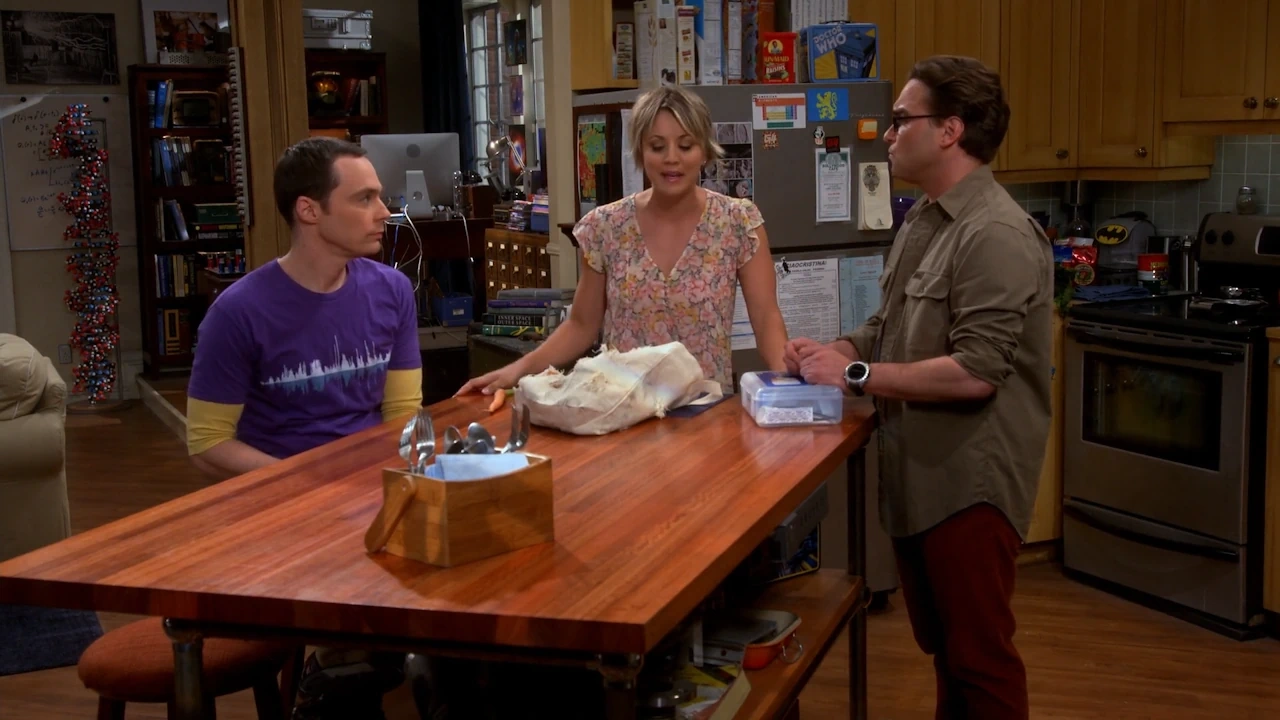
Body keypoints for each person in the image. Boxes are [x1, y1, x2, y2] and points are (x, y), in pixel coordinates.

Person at [784, 56, 1053, 720]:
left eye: (902, 120)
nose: (888, 133)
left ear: (950, 130)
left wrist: (854, 376)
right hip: (919, 478)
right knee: (948, 652)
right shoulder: (925, 220)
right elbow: (890, 324)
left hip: (970, 485)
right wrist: (839, 349)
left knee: (981, 661)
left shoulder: (995, 234)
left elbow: (976, 372)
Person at [185, 136, 423, 718]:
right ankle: (342, 677)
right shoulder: (238, 311)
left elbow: (402, 417)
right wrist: (312, 484)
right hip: (284, 509)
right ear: (309, 210)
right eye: (364, 198)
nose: (384, 212)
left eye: (381, 196)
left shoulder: (392, 291)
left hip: (371, 494)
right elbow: (207, 445)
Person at [457, 84, 789, 398]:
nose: (671, 158)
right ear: (641, 152)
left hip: (705, 413)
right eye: (657, 146)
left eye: (685, 146)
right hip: (622, 411)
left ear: (704, 151)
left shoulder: (737, 223)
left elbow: (766, 319)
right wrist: (515, 371)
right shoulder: (607, 227)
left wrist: (790, 386)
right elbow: (581, 326)